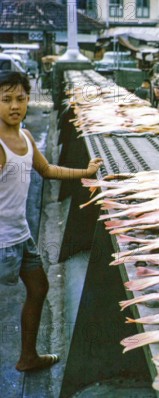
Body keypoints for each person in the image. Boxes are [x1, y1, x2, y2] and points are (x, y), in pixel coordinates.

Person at [0, 71, 103, 372]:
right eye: (5, 100)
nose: (14, 106)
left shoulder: (26, 137)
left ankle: (28, 357)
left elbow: (47, 171)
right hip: (2, 242)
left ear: (30, 100)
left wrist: (84, 172)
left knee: (39, 287)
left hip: (21, 237)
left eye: (20, 99)